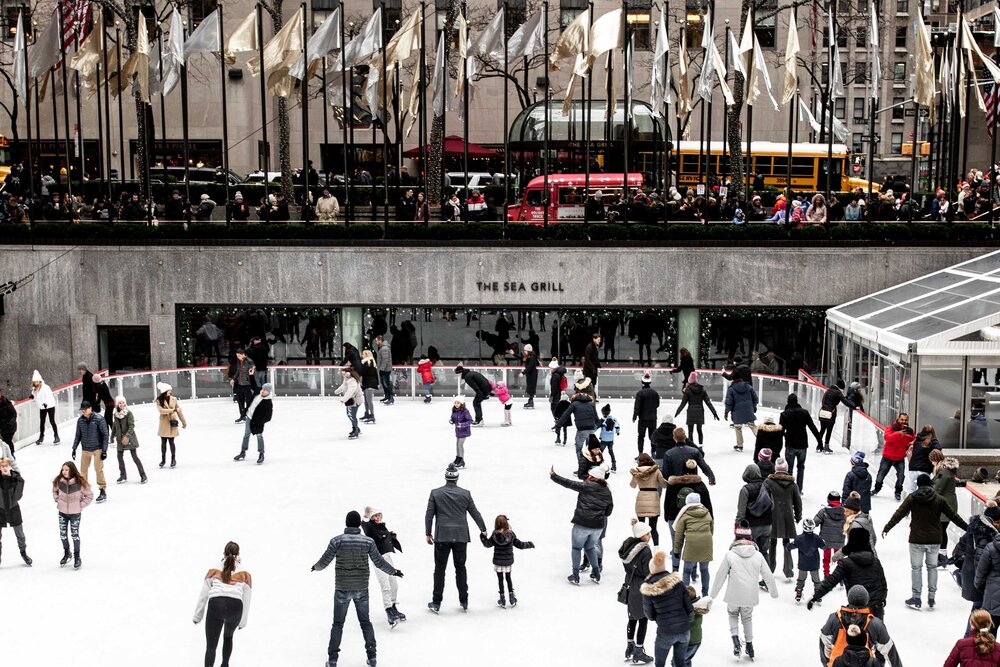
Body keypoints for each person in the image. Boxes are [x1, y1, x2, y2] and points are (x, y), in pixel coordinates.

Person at [312, 511, 403, 667]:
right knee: (365, 623)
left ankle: (332, 660)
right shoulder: (368, 542)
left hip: (342, 588)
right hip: (361, 589)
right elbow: (379, 562)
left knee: (338, 624)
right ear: (357, 525)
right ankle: (372, 657)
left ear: (347, 523)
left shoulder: (337, 541)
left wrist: (316, 567)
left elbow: (325, 560)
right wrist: (394, 571)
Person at [883, 472, 968, 610]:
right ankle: (931, 597)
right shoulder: (939, 499)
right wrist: (968, 528)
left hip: (916, 539)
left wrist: (887, 527)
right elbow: (953, 516)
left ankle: (916, 598)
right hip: (935, 539)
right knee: (932, 567)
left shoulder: (912, 498)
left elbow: (899, 513)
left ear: (918, 484)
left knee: (916, 568)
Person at [707, 521, 778, 661]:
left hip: (733, 594)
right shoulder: (758, 556)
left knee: (732, 614)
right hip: (750, 596)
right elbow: (768, 575)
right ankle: (750, 645)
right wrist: (773, 592)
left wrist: (712, 595)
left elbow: (720, 575)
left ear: (736, 539)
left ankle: (735, 642)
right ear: (750, 539)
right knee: (747, 618)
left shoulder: (730, 555)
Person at [425, 464, 487, 612]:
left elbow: (429, 515)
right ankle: (464, 600)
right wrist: (483, 529)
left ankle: (436, 602)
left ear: (446, 478)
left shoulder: (435, 493)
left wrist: (428, 533)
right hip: (460, 536)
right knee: (460, 568)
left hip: (442, 536)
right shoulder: (466, 494)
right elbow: (475, 513)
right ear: (457, 478)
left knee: (440, 569)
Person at [550, 464, 614, 585]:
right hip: (598, 526)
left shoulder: (587, 485)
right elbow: (609, 511)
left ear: (593, 477)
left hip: (582, 523)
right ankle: (596, 573)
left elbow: (569, 483)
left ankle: (575, 575)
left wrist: (554, 476)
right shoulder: (607, 491)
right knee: (590, 547)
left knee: (576, 548)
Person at [193, 541, 253, 667]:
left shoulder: (213, 568)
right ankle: (225, 664)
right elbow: (247, 599)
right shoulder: (246, 572)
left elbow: (204, 594)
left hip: (216, 605)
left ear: (224, 553)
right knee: (228, 637)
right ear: (238, 554)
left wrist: (197, 616)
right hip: (235, 608)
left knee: (211, 646)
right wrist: (243, 621)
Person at [818, 585, 903, 667]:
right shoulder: (875, 624)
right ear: (866, 601)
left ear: (849, 599)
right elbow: (890, 652)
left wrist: (827, 664)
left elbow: (824, 644)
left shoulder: (834, 619)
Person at [640, 550, 695, 667]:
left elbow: (649, 615)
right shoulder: (678, 583)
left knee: (660, 663)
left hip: (665, 632)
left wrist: (661, 619)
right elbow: (689, 608)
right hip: (684, 630)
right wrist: (686, 622)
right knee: (680, 662)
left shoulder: (649, 590)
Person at [664, 459, 714, 573]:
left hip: (675, 517)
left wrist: (667, 516)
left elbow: (667, 501)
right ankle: (693, 571)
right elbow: (707, 503)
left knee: (676, 544)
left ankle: (675, 570)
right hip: (696, 519)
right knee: (693, 544)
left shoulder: (673, 484)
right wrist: (710, 518)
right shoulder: (700, 485)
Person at [361, 507, 406, 627]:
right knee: (385, 584)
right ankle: (388, 611)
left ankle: (393, 606)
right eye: (375, 516)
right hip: (378, 559)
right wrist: (366, 515)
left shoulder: (382, 526)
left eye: (379, 515)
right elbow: (364, 524)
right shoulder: (369, 526)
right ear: (371, 517)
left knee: (393, 583)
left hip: (387, 557)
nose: (377, 518)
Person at [954, 502, 1000, 616]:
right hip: (978, 581)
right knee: (979, 613)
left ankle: (969, 633)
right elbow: (980, 564)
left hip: (972, 575)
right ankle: (970, 634)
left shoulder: (976, 527)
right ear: (994, 521)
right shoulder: (985, 536)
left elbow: (960, 547)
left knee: (977, 612)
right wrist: (980, 584)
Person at [481, 514, 534, 608]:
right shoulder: (511, 534)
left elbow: (487, 544)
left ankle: (502, 598)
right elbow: (519, 544)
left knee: (500, 579)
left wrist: (482, 537)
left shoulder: (494, 535)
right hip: (507, 561)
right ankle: (512, 598)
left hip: (498, 562)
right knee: (508, 578)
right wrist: (529, 544)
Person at [621, 519, 655, 663]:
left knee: (632, 617)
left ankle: (630, 645)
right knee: (643, 618)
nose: (650, 536)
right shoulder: (645, 550)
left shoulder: (628, 547)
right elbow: (648, 571)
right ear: (641, 535)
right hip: (641, 586)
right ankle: (639, 651)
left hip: (629, 583)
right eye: (647, 534)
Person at [765, 457, 801, 581]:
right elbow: (797, 502)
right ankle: (788, 570)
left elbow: (763, 499)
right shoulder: (792, 484)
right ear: (786, 470)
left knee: (772, 542)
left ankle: (770, 568)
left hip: (772, 516)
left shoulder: (768, 483)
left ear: (776, 469)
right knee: (787, 543)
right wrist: (798, 516)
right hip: (787, 516)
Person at [52, 460, 93, 569]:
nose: (64, 472)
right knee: (63, 534)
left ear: (72, 470)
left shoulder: (80, 483)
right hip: (62, 512)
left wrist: (80, 505)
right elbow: (54, 491)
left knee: (75, 535)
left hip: (75, 513)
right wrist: (57, 499)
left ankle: (77, 556)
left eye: (66, 470)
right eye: (63, 469)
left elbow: (89, 496)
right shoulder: (59, 481)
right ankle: (67, 552)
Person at [673, 492, 714, 596]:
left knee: (687, 570)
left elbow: (679, 535)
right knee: (704, 570)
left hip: (691, 543)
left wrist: (677, 550)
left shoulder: (685, 515)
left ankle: (686, 595)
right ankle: (705, 594)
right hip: (706, 542)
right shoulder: (707, 513)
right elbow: (711, 529)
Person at [780, 393, 822, 492]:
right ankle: (799, 489)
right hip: (802, 445)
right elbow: (813, 428)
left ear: (788, 402)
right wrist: (820, 441)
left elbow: (780, 431)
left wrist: (777, 446)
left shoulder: (784, 414)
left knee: (789, 469)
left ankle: (789, 489)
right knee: (801, 467)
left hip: (790, 444)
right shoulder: (804, 412)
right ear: (797, 401)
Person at [72, 401, 108, 504]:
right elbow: (78, 436)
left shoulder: (99, 419)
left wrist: (104, 451)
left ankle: (102, 490)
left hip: (98, 448)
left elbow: (105, 435)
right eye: (82, 410)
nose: (83, 412)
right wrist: (74, 449)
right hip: (85, 449)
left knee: (98, 469)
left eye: (85, 409)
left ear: (90, 408)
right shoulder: (80, 421)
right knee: (83, 471)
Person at [873, 414, 916, 501]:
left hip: (899, 458)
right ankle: (877, 488)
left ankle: (898, 492)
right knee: (881, 474)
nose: (903, 421)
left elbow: (914, 439)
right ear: (898, 419)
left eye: (905, 420)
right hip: (887, 457)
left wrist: (910, 444)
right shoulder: (891, 427)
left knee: (901, 476)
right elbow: (887, 437)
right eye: (902, 419)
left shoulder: (910, 431)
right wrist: (898, 434)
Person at [735, 464, 772, 565]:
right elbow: (771, 506)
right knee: (764, 552)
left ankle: (752, 579)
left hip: (752, 527)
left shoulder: (745, 490)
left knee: (751, 554)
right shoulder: (766, 487)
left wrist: (737, 526)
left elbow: (741, 512)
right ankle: (767, 579)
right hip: (767, 526)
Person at [631, 454, 668, 546]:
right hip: (653, 498)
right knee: (653, 528)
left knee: (641, 528)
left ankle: (641, 548)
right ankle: (656, 549)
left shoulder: (637, 472)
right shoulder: (656, 471)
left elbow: (633, 485)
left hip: (641, 498)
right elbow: (664, 485)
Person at [0, 457, 31, 566]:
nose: (4, 468)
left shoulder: (17, 479)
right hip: (0, 510)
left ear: (10, 466)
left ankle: (23, 553)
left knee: (20, 535)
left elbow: (17, 497)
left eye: (6, 466)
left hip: (13, 509)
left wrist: (14, 481)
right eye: (2, 466)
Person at [674, 372, 719, 447]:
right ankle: (701, 445)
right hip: (700, 412)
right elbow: (708, 402)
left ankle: (691, 446)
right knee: (699, 430)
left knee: (690, 431)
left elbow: (683, 403)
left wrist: (677, 412)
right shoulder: (702, 390)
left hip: (691, 412)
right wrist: (714, 412)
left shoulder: (687, 390)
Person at [556, 383, 599, 458]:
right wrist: (599, 425)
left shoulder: (574, 404)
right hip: (591, 429)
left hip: (581, 429)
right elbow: (596, 418)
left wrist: (558, 425)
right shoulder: (591, 404)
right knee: (590, 449)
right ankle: (589, 465)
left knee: (579, 449)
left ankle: (582, 467)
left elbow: (565, 415)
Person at [110, 395, 146, 484]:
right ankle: (123, 475)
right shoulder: (115, 414)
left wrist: (127, 436)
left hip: (129, 438)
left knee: (134, 457)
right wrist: (112, 436)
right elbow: (115, 426)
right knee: (119, 457)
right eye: (120, 403)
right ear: (117, 404)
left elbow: (131, 426)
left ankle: (143, 475)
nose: (122, 404)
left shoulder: (129, 413)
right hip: (119, 439)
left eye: (123, 403)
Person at [233, 383, 273, 464]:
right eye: (263, 389)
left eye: (265, 390)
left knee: (259, 436)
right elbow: (253, 383)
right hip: (249, 417)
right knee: (246, 435)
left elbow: (268, 417)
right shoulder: (258, 392)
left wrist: (260, 421)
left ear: (268, 392)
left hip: (258, 422)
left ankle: (261, 454)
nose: (263, 391)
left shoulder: (268, 402)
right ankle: (243, 452)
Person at [934, 452, 961, 568]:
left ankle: (942, 557)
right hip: (947, 504)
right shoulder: (946, 471)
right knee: (941, 529)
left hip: (945, 506)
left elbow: (937, 488)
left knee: (941, 529)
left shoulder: (944, 472)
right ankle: (941, 555)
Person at [788, 518, 824, 604]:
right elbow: (824, 546)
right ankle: (818, 594)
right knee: (816, 580)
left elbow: (791, 546)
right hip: (814, 564)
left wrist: (788, 545)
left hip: (803, 564)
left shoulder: (799, 539)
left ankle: (799, 592)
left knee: (801, 579)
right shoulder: (817, 538)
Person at [817, 380, 856, 453]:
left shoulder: (828, 390)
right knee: (829, 430)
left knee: (822, 430)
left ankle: (819, 446)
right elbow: (845, 401)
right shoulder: (838, 392)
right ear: (841, 387)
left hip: (823, 412)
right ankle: (826, 447)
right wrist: (854, 406)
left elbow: (823, 401)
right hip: (831, 414)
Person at [814, 491, 846, 577]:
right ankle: (840, 575)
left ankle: (826, 574)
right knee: (839, 558)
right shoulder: (845, 512)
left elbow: (815, 523)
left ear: (828, 500)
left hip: (826, 541)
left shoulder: (823, 511)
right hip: (839, 540)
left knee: (826, 558)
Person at [155, 382, 187, 468]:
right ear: (164, 391)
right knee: (163, 443)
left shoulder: (174, 399)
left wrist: (184, 422)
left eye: (170, 390)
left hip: (172, 422)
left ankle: (173, 460)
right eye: (169, 390)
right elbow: (161, 410)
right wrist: (172, 410)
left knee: (172, 442)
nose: (170, 391)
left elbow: (179, 411)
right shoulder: (159, 400)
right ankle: (163, 460)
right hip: (164, 424)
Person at [724, 377, 758, 452]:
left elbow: (729, 402)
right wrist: (753, 406)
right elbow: (755, 398)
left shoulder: (731, 389)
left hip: (737, 412)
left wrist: (726, 412)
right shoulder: (748, 387)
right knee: (752, 425)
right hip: (749, 409)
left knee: (738, 428)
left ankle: (740, 445)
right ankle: (763, 442)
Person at [908, 424, 942, 494]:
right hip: (924, 469)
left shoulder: (917, 439)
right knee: (924, 490)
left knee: (911, 489)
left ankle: (910, 503)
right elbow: (938, 449)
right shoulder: (932, 441)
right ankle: (923, 504)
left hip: (913, 468)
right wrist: (934, 439)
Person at [634, 372, 661, 456]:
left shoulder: (640, 393)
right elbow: (657, 404)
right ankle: (653, 452)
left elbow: (637, 406)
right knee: (652, 436)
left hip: (642, 419)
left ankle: (640, 453)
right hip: (653, 418)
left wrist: (635, 415)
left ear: (642, 383)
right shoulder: (655, 393)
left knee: (641, 436)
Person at [227, 349, 256, 424]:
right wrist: (234, 379)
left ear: (243, 354)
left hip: (247, 385)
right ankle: (242, 416)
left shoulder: (249, 361)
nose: (238, 357)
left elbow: (252, 374)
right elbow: (238, 371)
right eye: (237, 356)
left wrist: (252, 385)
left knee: (249, 401)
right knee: (240, 400)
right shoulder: (239, 361)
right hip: (240, 384)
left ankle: (251, 416)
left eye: (239, 356)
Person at [333, 367, 363, 440]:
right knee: (350, 414)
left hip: (355, 400)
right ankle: (356, 428)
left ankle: (355, 430)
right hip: (350, 400)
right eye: (342, 373)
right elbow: (343, 386)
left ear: (348, 373)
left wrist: (343, 399)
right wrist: (337, 391)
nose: (342, 375)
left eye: (344, 373)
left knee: (352, 415)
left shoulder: (352, 381)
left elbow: (350, 392)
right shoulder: (347, 379)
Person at [30, 370, 59, 445]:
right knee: (42, 422)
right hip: (42, 407)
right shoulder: (34, 389)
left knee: (52, 421)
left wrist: (46, 403)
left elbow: (49, 396)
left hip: (50, 406)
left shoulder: (46, 387)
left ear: (40, 381)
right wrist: (32, 396)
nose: (35, 383)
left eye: (37, 382)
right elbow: (35, 395)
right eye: (34, 382)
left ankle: (56, 436)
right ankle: (41, 437)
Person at [596, 404, 620, 472]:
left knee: (600, 452)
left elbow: (596, 427)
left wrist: (591, 432)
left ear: (603, 412)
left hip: (604, 439)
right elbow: (617, 426)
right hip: (611, 439)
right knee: (611, 452)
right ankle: (614, 466)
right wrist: (617, 432)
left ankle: (597, 465)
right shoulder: (614, 419)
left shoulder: (602, 420)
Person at [449, 400, 473, 469]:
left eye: (458, 403)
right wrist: (451, 421)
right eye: (455, 403)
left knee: (460, 444)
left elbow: (470, 420)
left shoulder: (465, 411)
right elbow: (453, 419)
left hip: (464, 431)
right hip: (458, 431)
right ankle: (458, 458)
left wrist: (462, 425)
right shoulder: (454, 410)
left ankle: (462, 460)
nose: (456, 404)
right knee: (457, 445)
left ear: (461, 403)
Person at [359, 350, 379, 425]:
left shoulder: (368, 362)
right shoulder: (367, 362)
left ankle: (372, 415)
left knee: (369, 400)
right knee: (366, 400)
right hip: (366, 383)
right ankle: (367, 413)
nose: (362, 356)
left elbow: (364, 372)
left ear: (367, 355)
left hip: (370, 383)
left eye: (363, 354)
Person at [374, 336, 394, 405]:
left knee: (387, 383)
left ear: (380, 340)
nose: (376, 342)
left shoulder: (384, 348)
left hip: (385, 369)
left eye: (376, 341)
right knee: (384, 383)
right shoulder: (382, 348)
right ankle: (387, 396)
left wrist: (382, 369)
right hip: (383, 369)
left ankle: (391, 398)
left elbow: (385, 360)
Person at [0, 388, 16, 454]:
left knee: (7, 441)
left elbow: (14, 414)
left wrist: (10, 423)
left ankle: (11, 454)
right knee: (5, 442)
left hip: (9, 427)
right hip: (2, 427)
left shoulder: (6, 403)